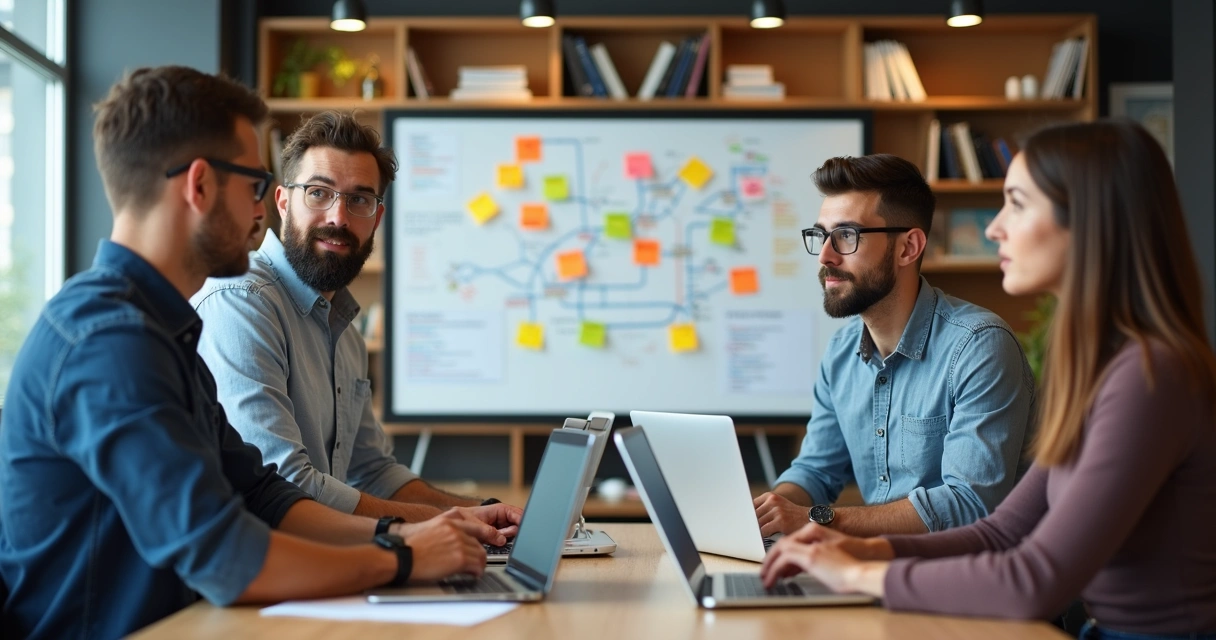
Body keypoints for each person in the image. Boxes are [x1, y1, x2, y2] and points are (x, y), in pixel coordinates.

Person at [0, 67, 492, 640]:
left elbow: (263, 495)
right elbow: (226, 557)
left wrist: (407, 535)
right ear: (200, 186)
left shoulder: (161, 330)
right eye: (256, 185)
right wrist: (402, 558)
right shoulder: (110, 343)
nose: (262, 212)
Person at [760, 120, 1216, 639]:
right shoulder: (1105, 367)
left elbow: (1035, 579)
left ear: (1091, 222)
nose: (994, 228)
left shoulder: (1151, 376)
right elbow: (1002, 531)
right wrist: (859, 549)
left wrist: (857, 571)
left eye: (1016, 204)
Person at [191, 110, 520, 537]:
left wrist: (485, 512)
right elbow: (284, 486)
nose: (339, 218)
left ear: (376, 219)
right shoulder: (240, 303)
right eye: (318, 193)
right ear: (283, 202)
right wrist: (449, 523)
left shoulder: (343, 330)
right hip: (257, 569)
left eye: (359, 200)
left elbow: (374, 472)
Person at [753, 153, 1035, 537]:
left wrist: (814, 519)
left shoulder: (980, 347)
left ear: (908, 247)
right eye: (821, 235)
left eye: (847, 235)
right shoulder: (841, 352)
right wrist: (768, 513)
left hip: (968, 569)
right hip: (877, 560)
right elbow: (816, 470)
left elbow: (968, 504)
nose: (825, 256)